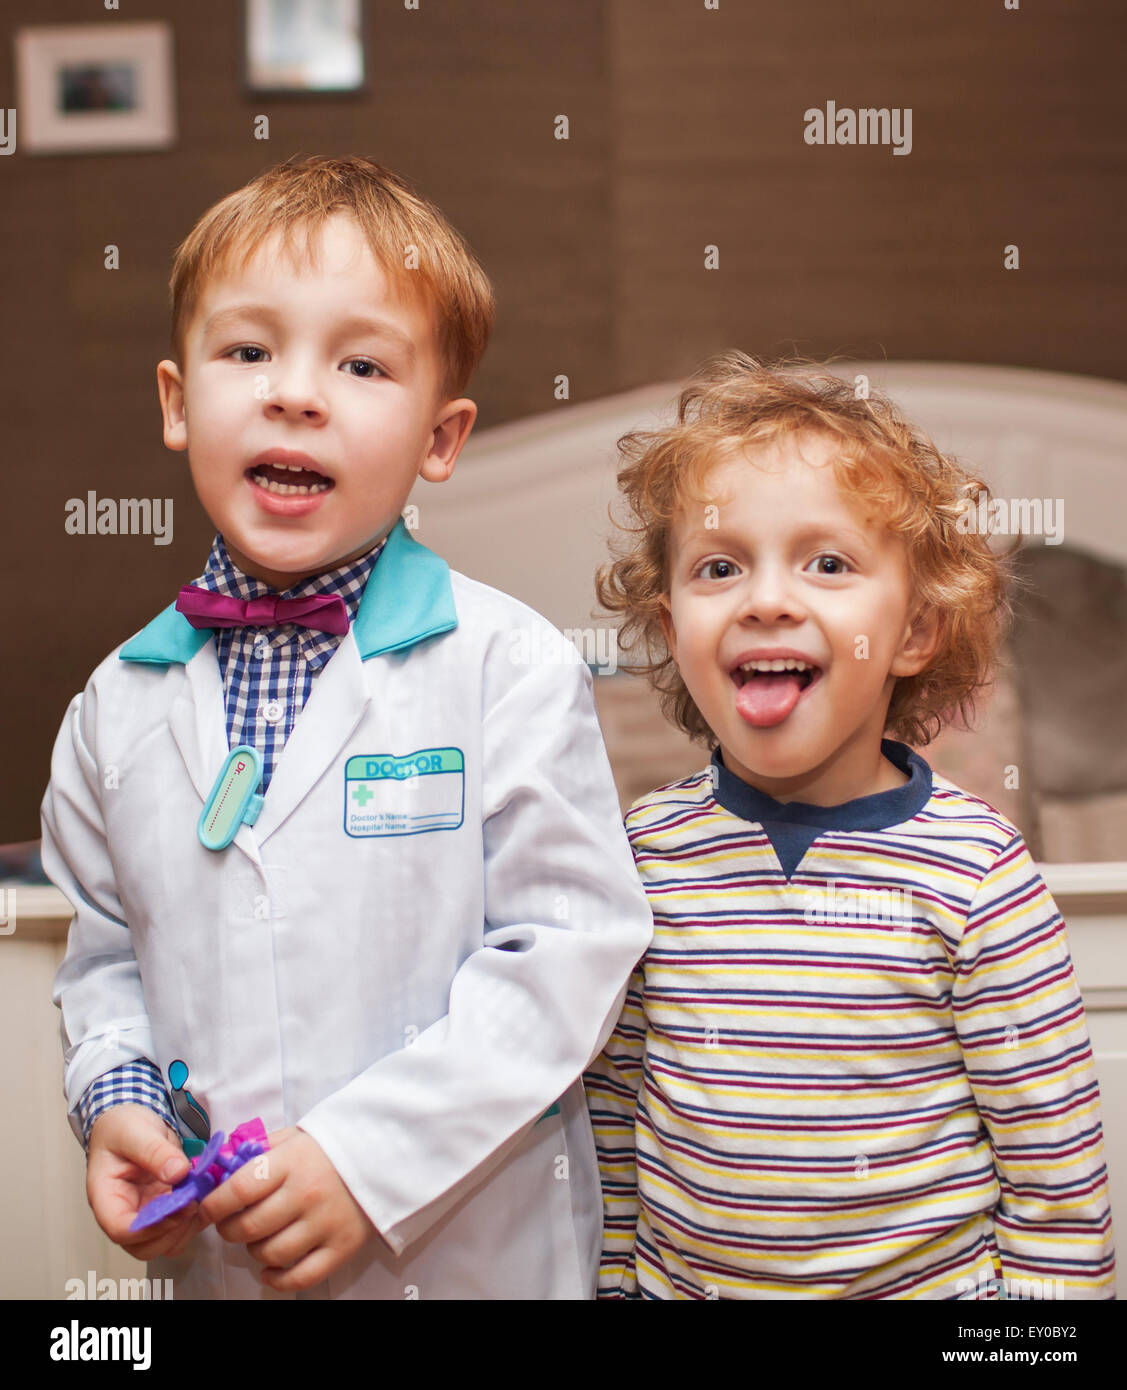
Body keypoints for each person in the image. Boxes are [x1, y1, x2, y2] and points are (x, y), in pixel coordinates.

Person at [42, 155, 652, 1299]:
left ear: (440, 436)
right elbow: (106, 957)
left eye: (362, 363)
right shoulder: (112, 707)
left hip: (472, 1261)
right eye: (248, 350)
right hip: (225, 1262)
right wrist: (117, 1100)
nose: (295, 393)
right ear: (178, 402)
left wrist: (369, 1163)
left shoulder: (506, 666)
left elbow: (563, 955)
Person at [584, 352, 1115, 1299]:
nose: (768, 598)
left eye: (826, 563)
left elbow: (1055, 1198)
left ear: (912, 632)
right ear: (671, 631)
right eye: (719, 566)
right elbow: (613, 1131)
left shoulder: (975, 875)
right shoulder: (640, 855)